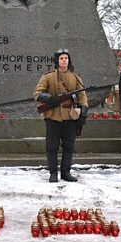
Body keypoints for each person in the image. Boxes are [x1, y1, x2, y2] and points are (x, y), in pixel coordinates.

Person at [34, 49, 88, 183]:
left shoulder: (75, 78)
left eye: (66, 58)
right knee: (52, 146)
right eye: (61, 58)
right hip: (53, 115)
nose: (64, 60)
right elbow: (37, 93)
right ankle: (53, 172)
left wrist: (83, 113)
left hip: (70, 116)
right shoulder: (48, 77)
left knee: (69, 145)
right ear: (57, 61)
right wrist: (50, 98)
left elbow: (82, 97)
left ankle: (66, 172)